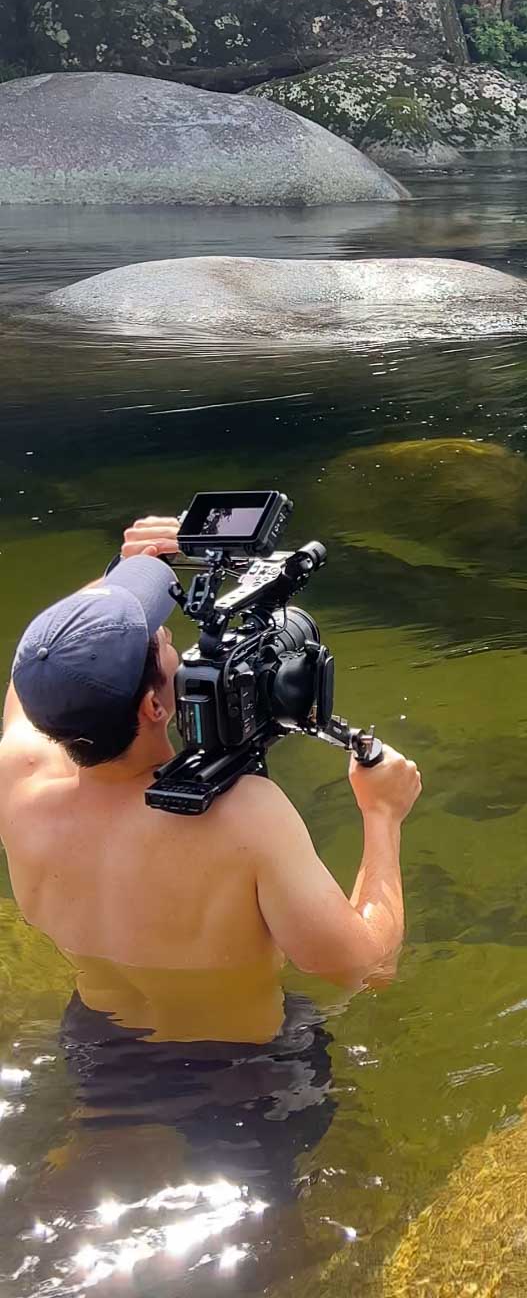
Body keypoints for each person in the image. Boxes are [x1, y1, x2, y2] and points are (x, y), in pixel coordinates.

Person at [0, 515, 423, 1201]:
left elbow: (44, 659)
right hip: (243, 1072)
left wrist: (129, 569)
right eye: (166, 645)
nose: (179, 646)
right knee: (268, 1223)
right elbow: (368, 965)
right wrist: (383, 815)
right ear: (152, 707)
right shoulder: (242, 818)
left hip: (101, 1042)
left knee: (100, 1167)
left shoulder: (18, 773)